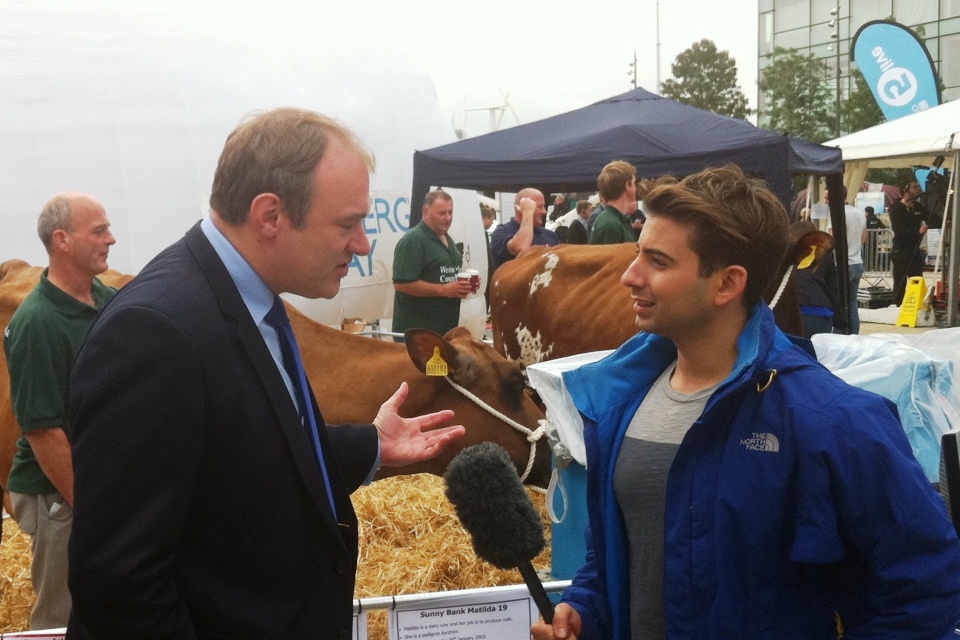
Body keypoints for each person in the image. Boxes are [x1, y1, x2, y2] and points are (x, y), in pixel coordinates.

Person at [66, 108, 465, 640]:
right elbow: (118, 585)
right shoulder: (154, 333)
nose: (364, 244)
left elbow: (243, 457)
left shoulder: (249, 302)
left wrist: (367, 447)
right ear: (270, 215)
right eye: (347, 223)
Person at [531, 165, 960, 640]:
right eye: (638, 254)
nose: (630, 276)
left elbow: (921, 590)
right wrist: (586, 604)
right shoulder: (619, 399)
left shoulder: (832, 421)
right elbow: (615, 550)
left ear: (727, 283)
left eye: (657, 261)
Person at [4, 193, 117, 630]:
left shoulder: (105, 300)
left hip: (96, 487)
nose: (111, 238)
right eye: (99, 231)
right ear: (62, 240)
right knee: (62, 616)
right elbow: (43, 432)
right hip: (60, 497)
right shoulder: (37, 324)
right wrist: (89, 507)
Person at [391, 190, 471, 338]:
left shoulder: (447, 239)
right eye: (442, 213)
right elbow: (401, 284)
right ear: (425, 212)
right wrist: (444, 290)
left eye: (450, 212)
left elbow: (445, 277)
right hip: (418, 336)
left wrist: (462, 287)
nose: (448, 218)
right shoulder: (413, 240)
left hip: (444, 332)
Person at [790, 220, 843, 338]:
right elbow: (833, 289)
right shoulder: (824, 255)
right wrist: (840, 319)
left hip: (792, 310)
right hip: (822, 312)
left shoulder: (786, 253)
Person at [826, 187, 866, 334]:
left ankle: (839, 332)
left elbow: (831, 240)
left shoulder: (837, 214)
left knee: (837, 301)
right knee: (852, 301)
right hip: (856, 261)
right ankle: (854, 333)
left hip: (842, 263)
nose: (825, 202)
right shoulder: (859, 213)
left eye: (827, 198)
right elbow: (864, 238)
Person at [489, 188, 560, 270]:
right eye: (540, 206)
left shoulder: (549, 235)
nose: (544, 211)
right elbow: (521, 248)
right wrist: (527, 212)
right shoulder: (502, 232)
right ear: (522, 207)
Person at [889, 180, 929, 306]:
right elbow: (899, 230)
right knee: (900, 281)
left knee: (917, 279)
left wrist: (946, 220)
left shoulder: (917, 207)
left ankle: (916, 305)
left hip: (914, 250)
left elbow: (930, 216)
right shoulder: (896, 208)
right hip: (901, 251)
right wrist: (917, 231)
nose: (918, 189)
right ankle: (898, 305)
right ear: (906, 189)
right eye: (914, 187)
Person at [590, 160, 638, 245]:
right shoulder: (611, 225)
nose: (635, 188)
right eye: (634, 183)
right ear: (627, 186)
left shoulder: (615, 220)